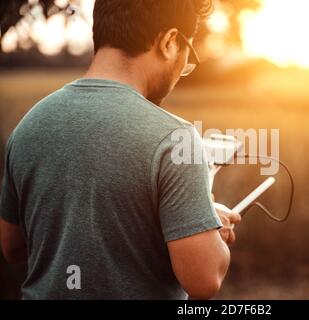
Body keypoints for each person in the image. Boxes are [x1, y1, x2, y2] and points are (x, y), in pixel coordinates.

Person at [0, 0, 241, 299]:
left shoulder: (29, 126)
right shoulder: (175, 137)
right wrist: (211, 232)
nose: (183, 70)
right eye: (187, 54)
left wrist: (191, 219)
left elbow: (12, 247)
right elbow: (204, 279)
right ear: (168, 42)